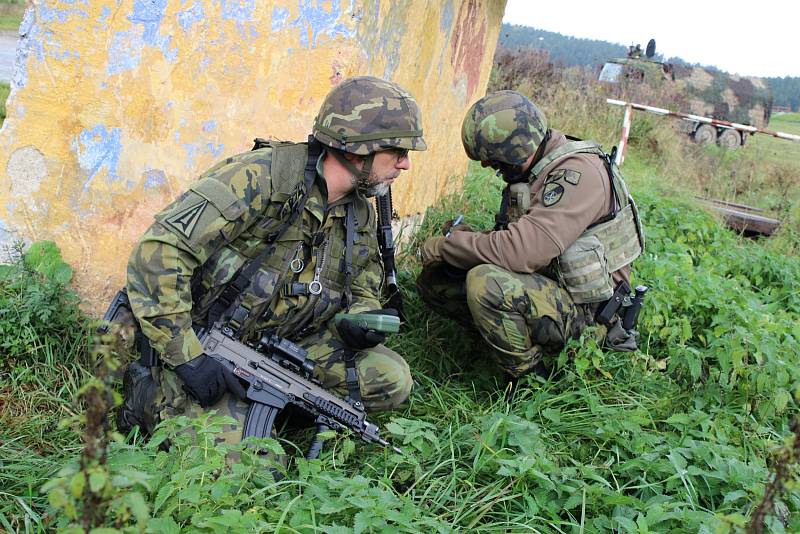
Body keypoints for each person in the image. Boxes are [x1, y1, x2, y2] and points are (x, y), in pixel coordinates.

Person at [118, 76, 426, 442]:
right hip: (205, 344)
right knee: (255, 468)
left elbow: (362, 283)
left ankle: (267, 405)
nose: (405, 165)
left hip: (283, 347)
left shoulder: (359, 214)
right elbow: (158, 253)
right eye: (399, 153)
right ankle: (152, 396)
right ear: (360, 149)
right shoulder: (262, 178)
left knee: (391, 378)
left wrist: (359, 319)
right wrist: (190, 359)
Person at [416, 90, 644, 381]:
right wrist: (463, 244)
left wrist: (447, 247)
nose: (489, 167)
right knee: (438, 278)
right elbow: (518, 239)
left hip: (591, 316)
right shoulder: (538, 169)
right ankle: (501, 344)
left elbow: (520, 252)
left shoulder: (577, 174)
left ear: (516, 149)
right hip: (556, 290)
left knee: (486, 284)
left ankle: (530, 381)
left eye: (494, 160)